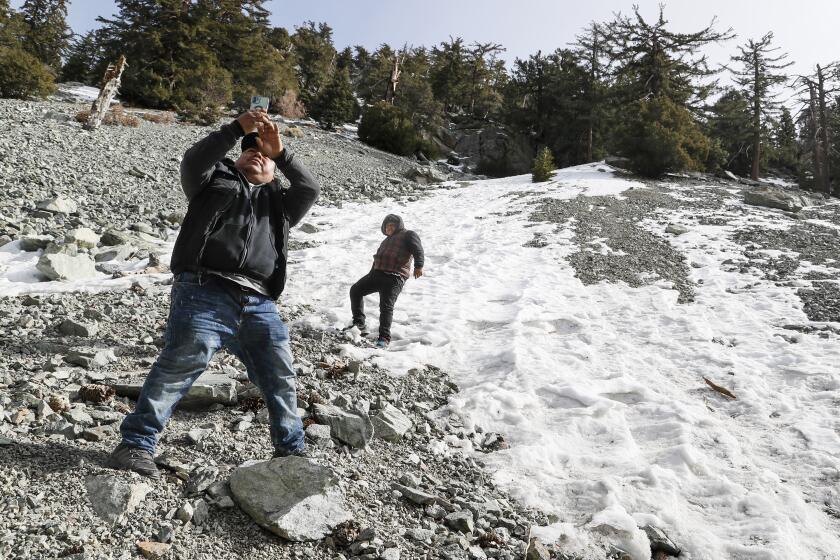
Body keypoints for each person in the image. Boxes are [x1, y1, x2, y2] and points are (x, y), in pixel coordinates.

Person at [107, 110, 320, 478]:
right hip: (205, 289)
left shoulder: (281, 204)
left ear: (274, 170)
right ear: (236, 158)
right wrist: (239, 128)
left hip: (260, 303)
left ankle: (291, 452)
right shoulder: (213, 180)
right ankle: (136, 445)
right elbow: (194, 159)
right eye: (249, 150)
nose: (257, 154)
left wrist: (281, 152)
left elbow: (310, 188)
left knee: (280, 375)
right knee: (181, 363)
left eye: (265, 156)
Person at [346, 215, 424, 348]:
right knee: (356, 290)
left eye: (393, 225)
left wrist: (419, 266)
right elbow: (377, 260)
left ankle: (384, 338)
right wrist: (371, 275)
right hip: (377, 274)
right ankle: (359, 324)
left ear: (399, 226)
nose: (390, 227)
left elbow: (418, 249)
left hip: (394, 277)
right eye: (387, 226)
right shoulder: (385, 241)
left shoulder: (408, 235)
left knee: (386, 307)